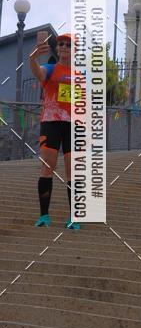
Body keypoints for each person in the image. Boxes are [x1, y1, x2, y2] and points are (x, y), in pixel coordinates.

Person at [29, 32, 80, 229]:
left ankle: (74, 218)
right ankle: (44, 216)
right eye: (61, 44)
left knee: (72, 171)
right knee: (46, 168)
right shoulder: (51, 69)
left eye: (68, 44)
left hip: (72, 126)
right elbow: (38, 73)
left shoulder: (80, 75)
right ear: (57, 48)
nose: (64, 47)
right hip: (50, 123)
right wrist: (32, 58)